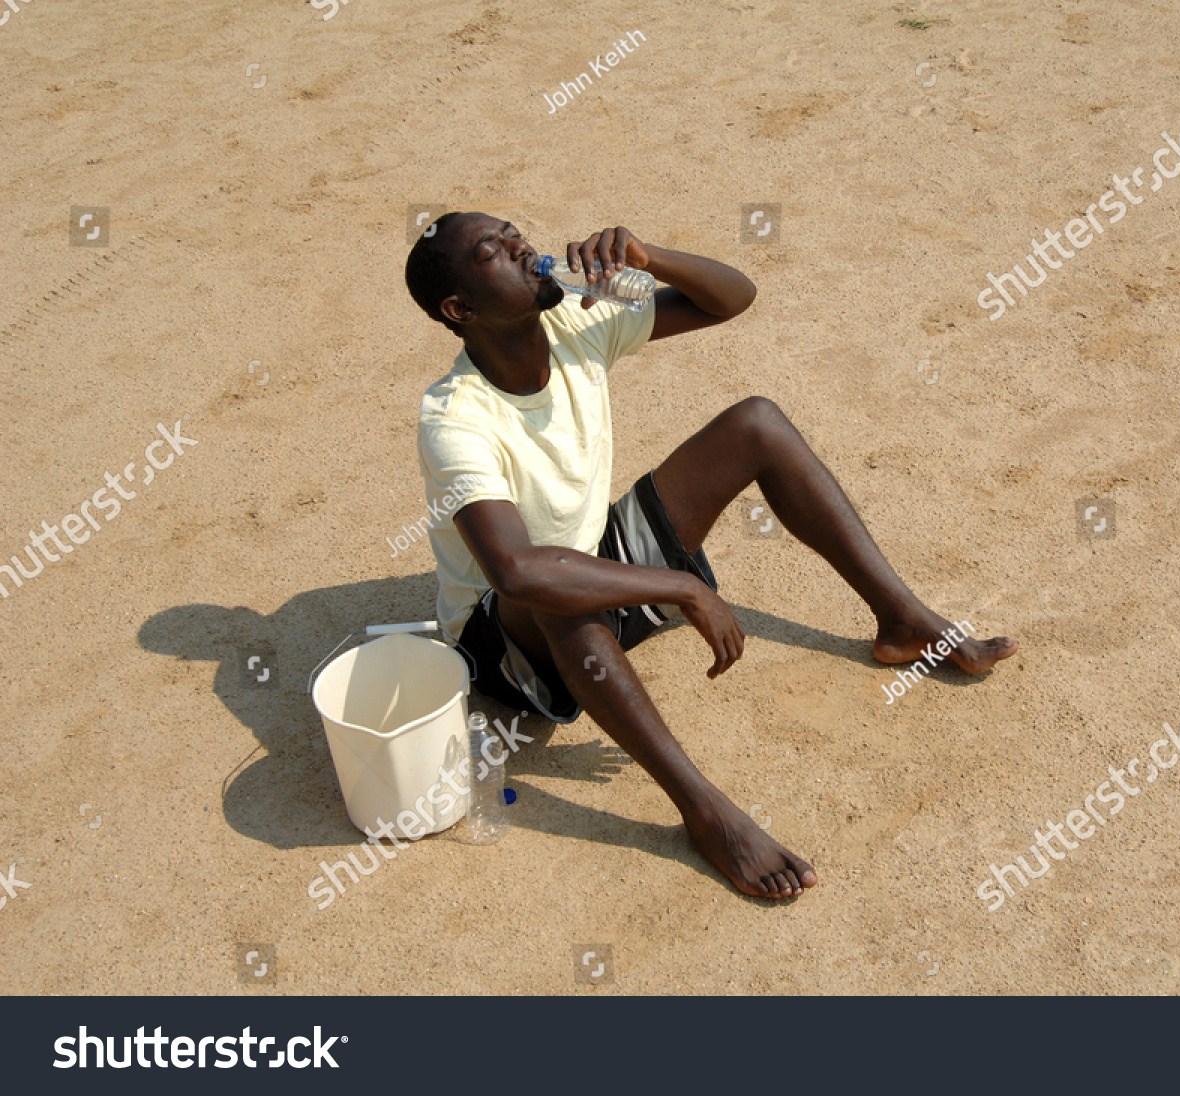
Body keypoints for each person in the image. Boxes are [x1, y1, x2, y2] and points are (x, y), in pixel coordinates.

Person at [404, 214, 1018, 900]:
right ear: (460, 310)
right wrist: (682, 587)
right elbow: (516, 571)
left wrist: (648, 256)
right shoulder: (454, 419)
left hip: (588, 561)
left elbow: (733, 297)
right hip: (506, 644)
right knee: (553, 588)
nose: (522, 246)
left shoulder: (577, 326)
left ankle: (903, 622)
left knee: (755, 422)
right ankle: (705, 813)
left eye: (515, 230)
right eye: (495, 251)